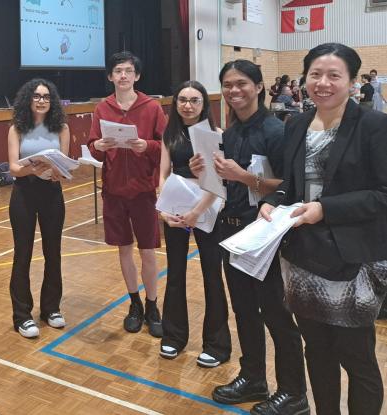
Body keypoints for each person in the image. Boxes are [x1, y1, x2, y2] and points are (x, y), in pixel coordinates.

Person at [260, 42, 387, 415]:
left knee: (357, 358)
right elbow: (293, 183)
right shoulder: (296, 123)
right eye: (316, 74)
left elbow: (383, 193)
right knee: (315, 351)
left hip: (352, 262)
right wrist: (274, 201)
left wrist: (325, 209)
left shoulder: (374, 125)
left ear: (352, 81)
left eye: (334, 75)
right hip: (303, 258)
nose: (323, 82)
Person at [190, 60, 309, 415]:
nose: (233, 91)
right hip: (231, 232)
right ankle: (254, 376)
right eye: (227, 84)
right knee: (243, 311)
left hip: (264, 236)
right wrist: (205, 174)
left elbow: (290, 186)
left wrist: (245, 178)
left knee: (275, 313)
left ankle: (293, 392)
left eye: (241, 83)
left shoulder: (276, 131)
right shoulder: (230, 131)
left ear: (259, 87)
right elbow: (223, 183)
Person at [87, 51, 167, 338]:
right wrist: (101, 145)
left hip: (144, 189)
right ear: (110, 76)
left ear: (137, 76)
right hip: (114, 190)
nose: (123, 75)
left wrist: (147, 146)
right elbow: (93, 146)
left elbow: (165, 144)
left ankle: (153, 305)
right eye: (118, 71)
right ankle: (134, 304)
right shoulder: (102, 108)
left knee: (147, 250)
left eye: (128, 71)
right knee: (124, 249)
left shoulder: (152, 107)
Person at [157, 81, 231, 368]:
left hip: (206, 209)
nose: (188, 105)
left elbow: (217, 183)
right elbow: (162, 175)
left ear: (204, 104)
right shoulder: (169, 134)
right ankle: (173, 337)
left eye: (194, 100)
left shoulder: (214, 135)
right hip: (175, 208)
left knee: (212, 275)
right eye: (182, 99)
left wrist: (196, 213)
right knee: (175, 273)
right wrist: (164, 208)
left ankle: (217, 344)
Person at [6, 78, 70, 338]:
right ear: (28, 100)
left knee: (53, 252)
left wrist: (57, 172)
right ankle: (22, 316)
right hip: (24, 193)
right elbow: (13, 168)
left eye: (46, 96)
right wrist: (33, 167)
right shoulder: (16, 128)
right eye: (36, 96)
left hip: (52, 193)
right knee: (23, 254)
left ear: (51, 101)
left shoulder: (62, 128)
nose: (42, 100)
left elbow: (65, 166)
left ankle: (51, 309)